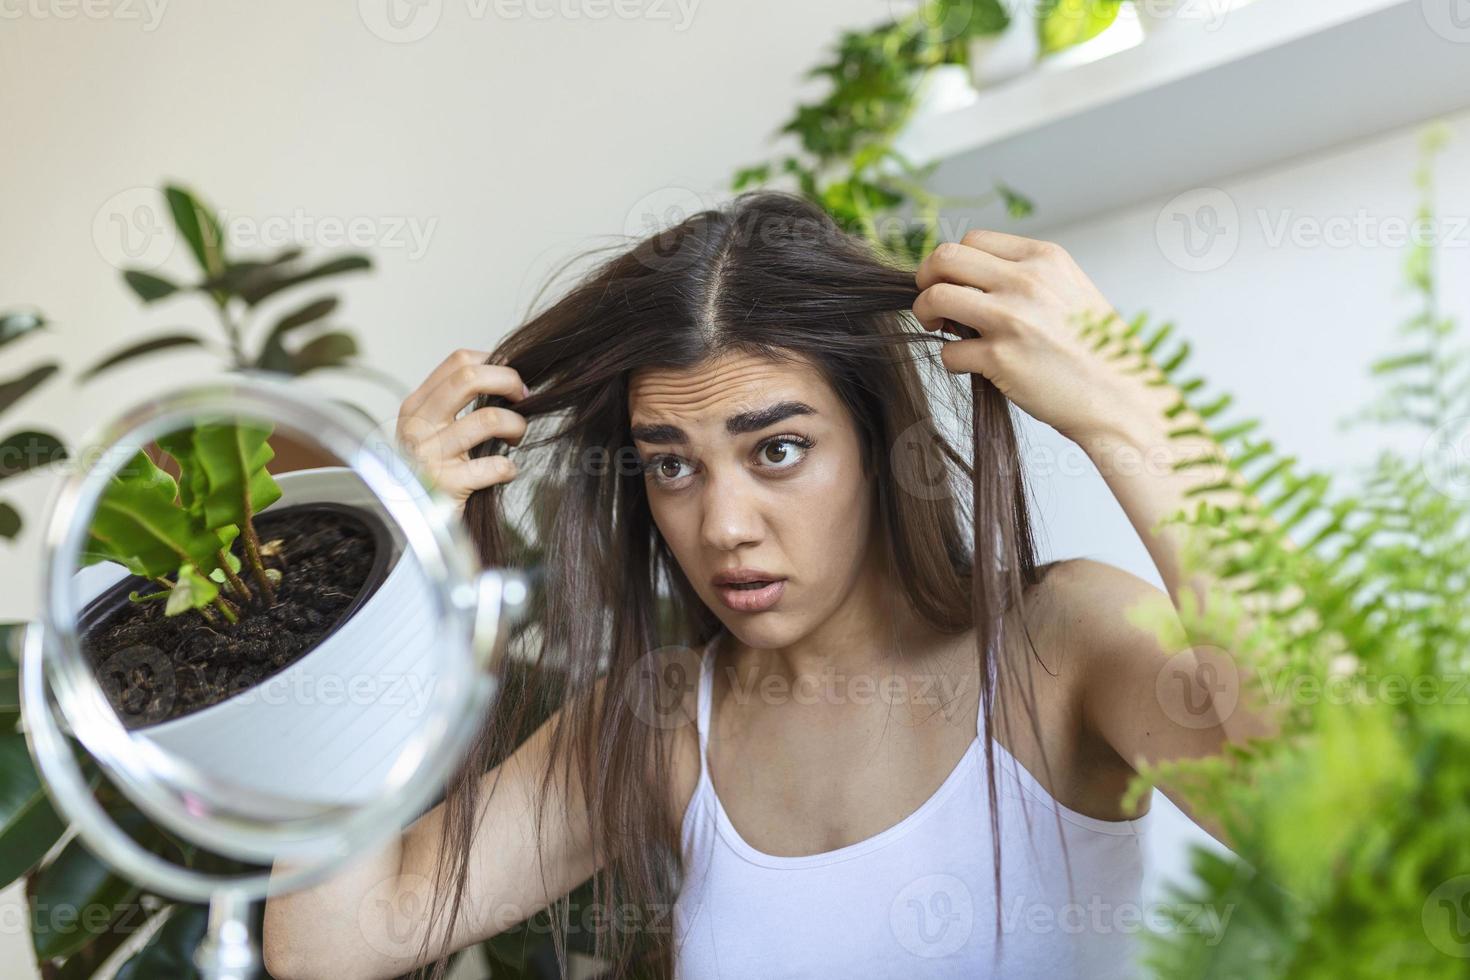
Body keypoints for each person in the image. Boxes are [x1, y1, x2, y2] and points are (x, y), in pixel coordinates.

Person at [262, 191, 1269, 980]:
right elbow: (330, 942)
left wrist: (1138, 417)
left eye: (778, 449)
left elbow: (1359, 837)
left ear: (880, 441)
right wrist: (386, 561)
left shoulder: (1063, 644)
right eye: (671, 463)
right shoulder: (661, 721)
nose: (723, 524)